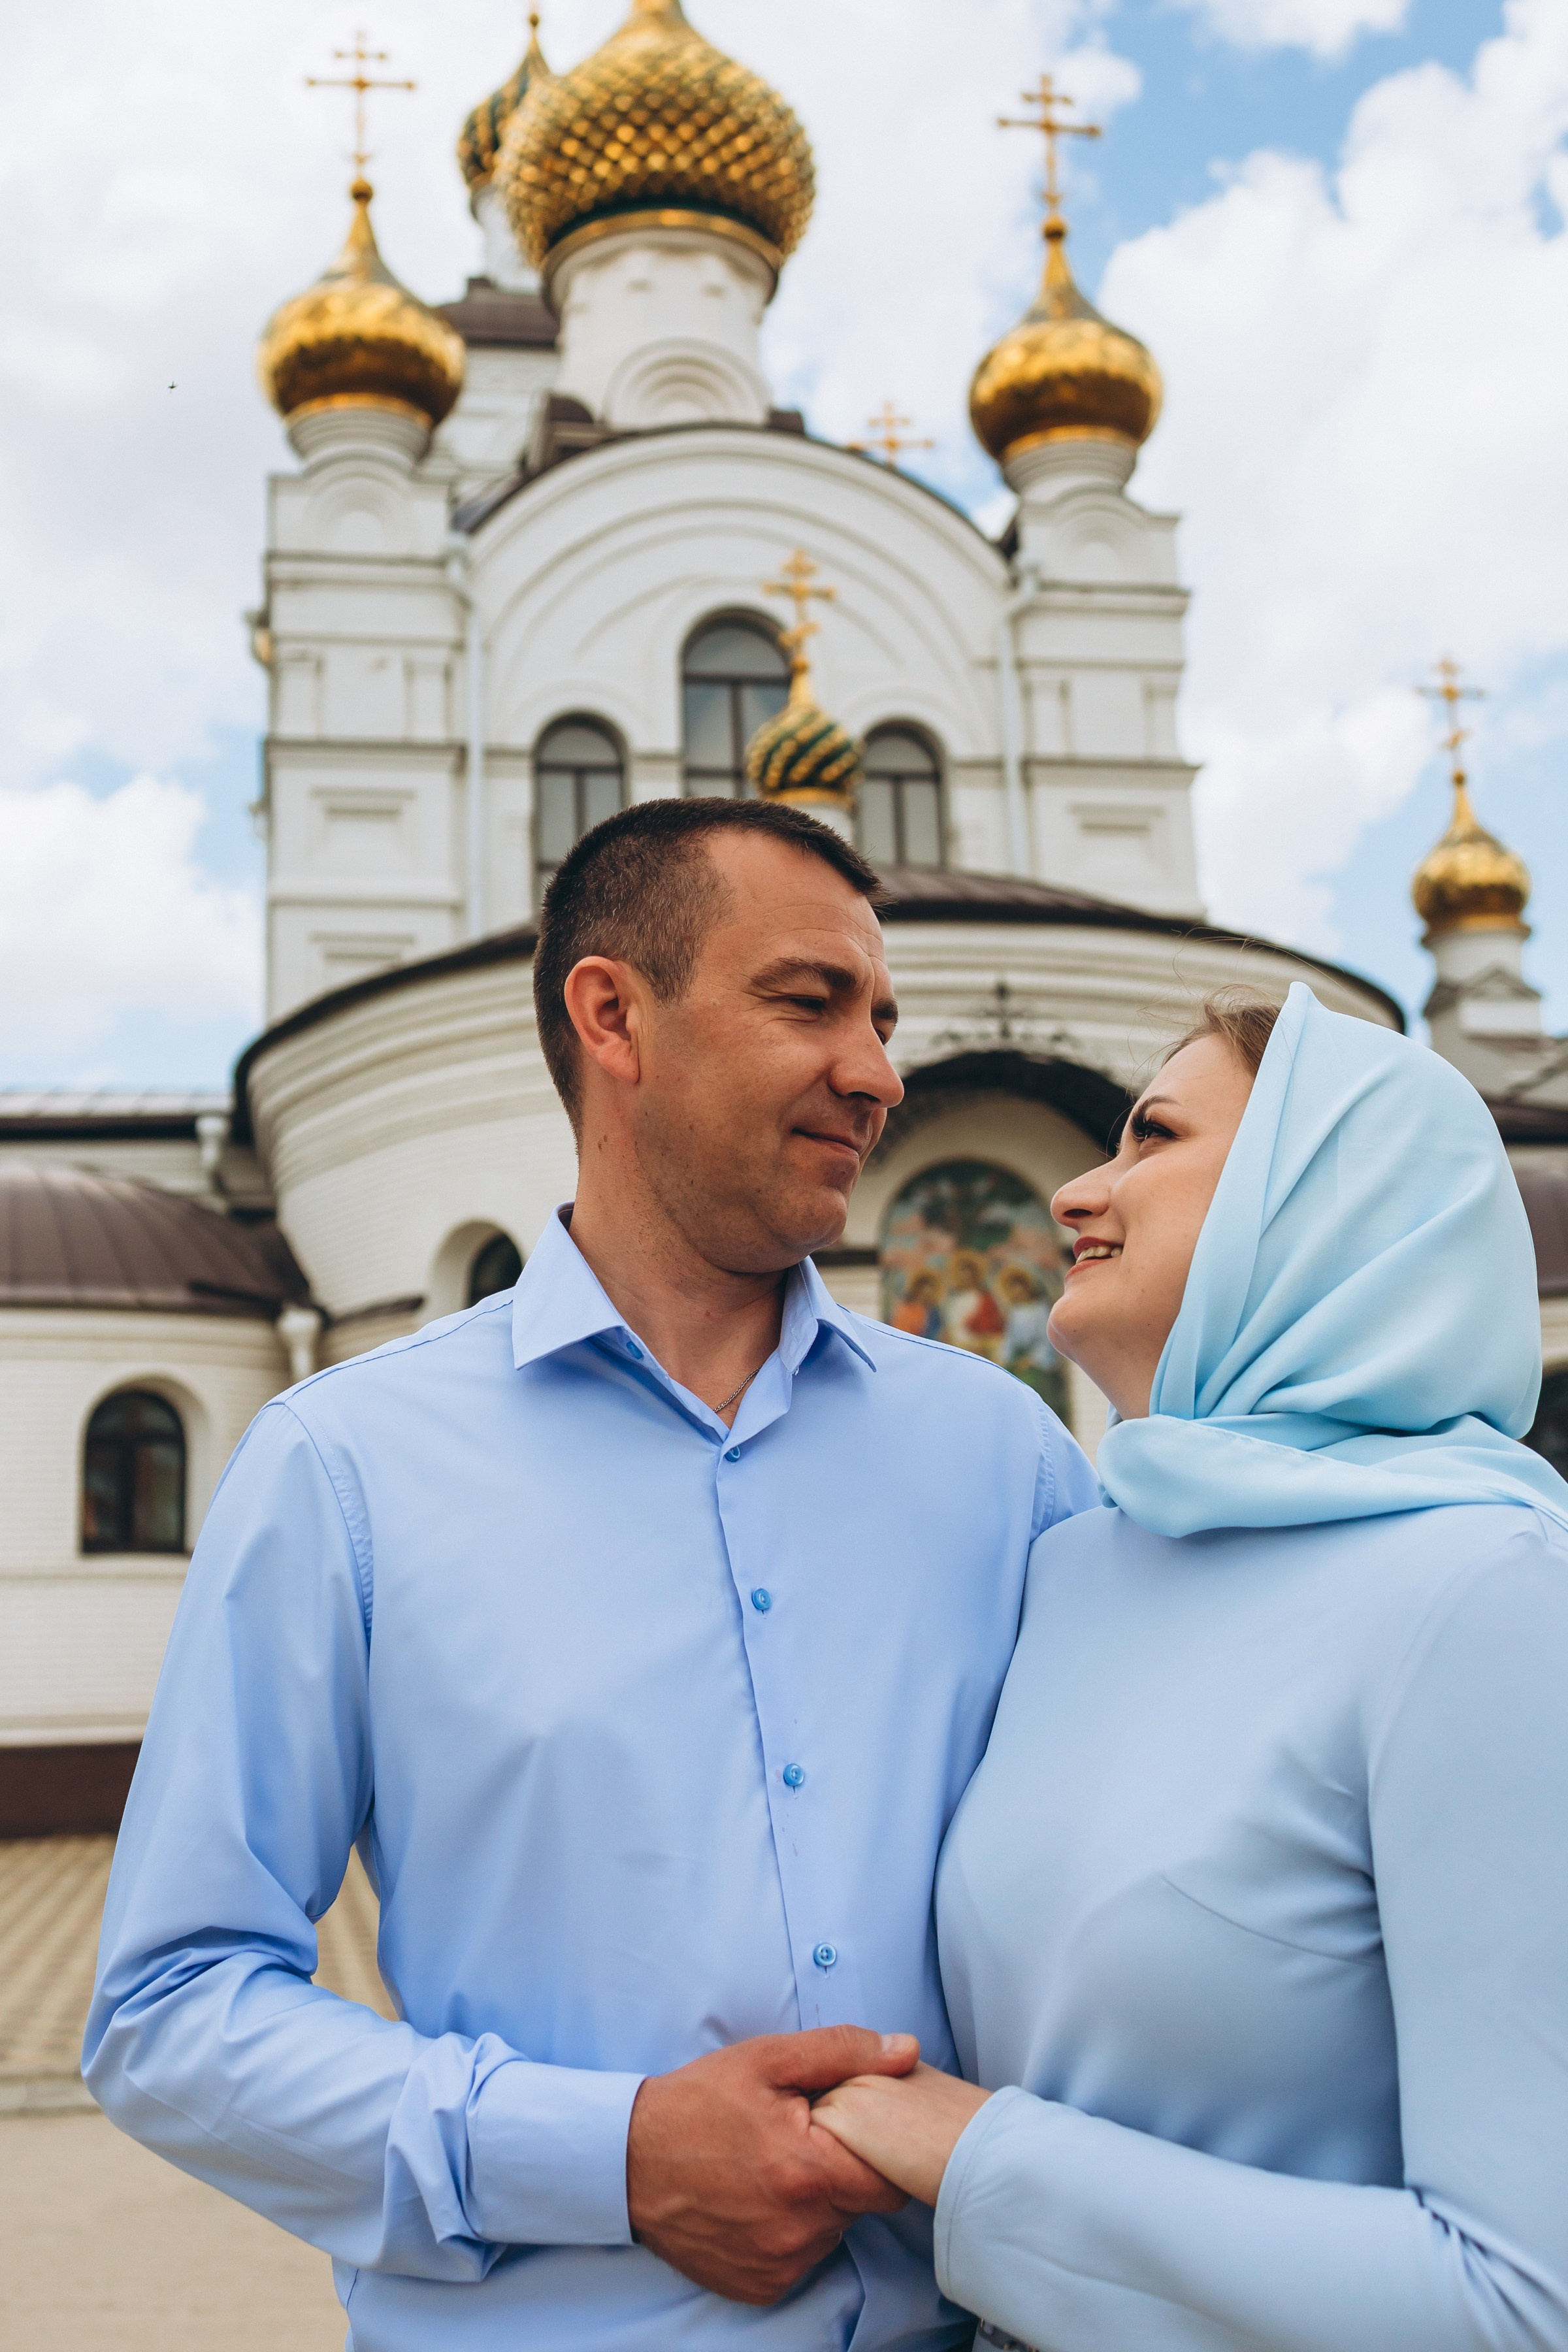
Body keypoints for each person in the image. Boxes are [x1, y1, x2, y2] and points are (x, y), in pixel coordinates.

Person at [84, 796, 1098, 2352]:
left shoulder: (1005, 1459)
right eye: (809, 1001)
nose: (881, 1074)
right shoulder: (343, 1469)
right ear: (613, 1014)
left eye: (884, 1020)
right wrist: (608, 2158)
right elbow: (170, 2013)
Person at [815, 981, 1568, 2352]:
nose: (1073, 1198)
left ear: (1318, 1196)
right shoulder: (1075, 1570)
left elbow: (1520, 2300)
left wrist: (980, 2162)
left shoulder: (1478, 1592)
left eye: (1152, 1137)